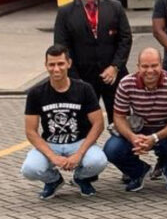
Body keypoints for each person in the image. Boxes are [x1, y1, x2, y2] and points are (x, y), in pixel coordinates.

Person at [22, 45, 109, 199]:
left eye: (60, 63)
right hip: (51, 144)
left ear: (69, 63)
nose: (56, 69)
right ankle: (53, 180)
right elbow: (30, 131)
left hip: (79, 142)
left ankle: (80, 178)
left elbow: (98, 124)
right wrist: (52, 157)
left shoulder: (84, 89)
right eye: (52, 64)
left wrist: (79, 154)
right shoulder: (36, 93)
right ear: (46, 65)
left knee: (98, 161)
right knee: (29, 169)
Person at [103, 47, 167, 192]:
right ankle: (138, 171)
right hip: (139, 130)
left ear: (161, 65)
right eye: (145, 66)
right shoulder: (126, 83)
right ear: (138, 66)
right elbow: (119, 117)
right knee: (111, 149)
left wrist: (155, 138)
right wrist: (132, 137)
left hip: (166, 130)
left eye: (154, 65)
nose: (150, 71)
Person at [53, 0, 132, 123]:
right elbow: (62, 47)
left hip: (113, 76)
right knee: (84, 123)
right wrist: (75, 80)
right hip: (83, 78)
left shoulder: (115, 7)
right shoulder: (65, 13)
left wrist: (115, 66)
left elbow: (125, 39)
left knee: (121, 122)